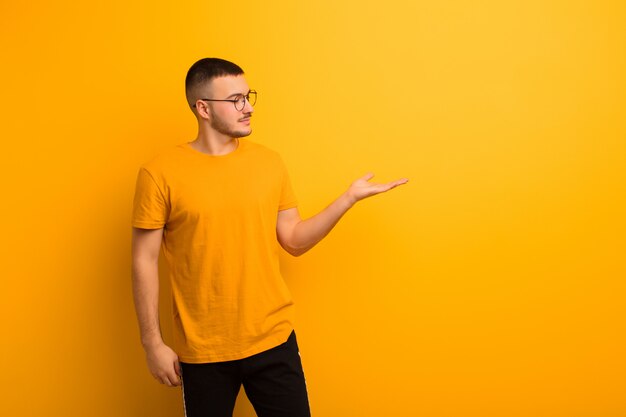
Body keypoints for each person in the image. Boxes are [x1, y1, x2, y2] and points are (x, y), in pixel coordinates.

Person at [131, 57, 408, 417]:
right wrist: (152, 343)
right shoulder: (160, 173)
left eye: (248, 97)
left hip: (273, 340)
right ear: (202, 108)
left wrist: (348, 199)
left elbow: (293, 239)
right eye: (235, 100)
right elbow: (143, 260)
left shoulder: (269, 163)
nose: (248, 108)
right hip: (203, 351)